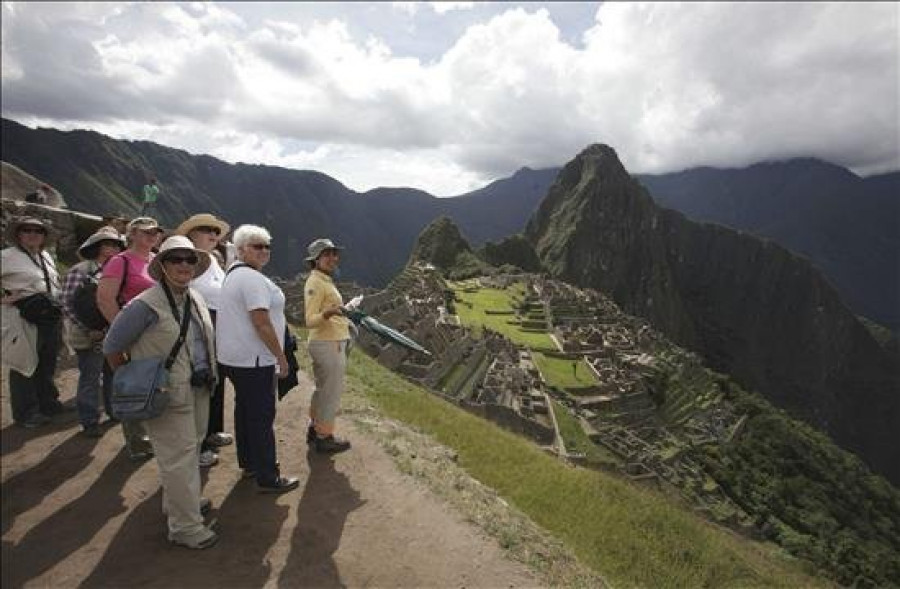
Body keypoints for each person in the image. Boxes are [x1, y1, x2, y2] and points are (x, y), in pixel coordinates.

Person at [103, 235, 218, 549]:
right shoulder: (144, 305)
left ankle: (180, 503)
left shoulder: (193, 297)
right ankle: (185, 528)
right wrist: (140, 382)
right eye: (175, 259)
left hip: (197, 388)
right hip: (168, 394)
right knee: (178, 458)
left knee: (189, 451)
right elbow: (113, 347)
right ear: (162, 265)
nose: (183, 265)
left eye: (189, 259)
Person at [217, 225, 299, 493]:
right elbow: (261, 321)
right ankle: (268, 476)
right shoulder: (251, 279)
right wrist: (280, 357)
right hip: (254, 360)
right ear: (241, 250)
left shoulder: (234, 274)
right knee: (262, 416)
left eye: (266, 246)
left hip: (235, 359)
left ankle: (250, 463)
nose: (264, 251)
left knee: (245, 411)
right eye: (256, 246)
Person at [96, 216, 164, 460]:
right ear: (132, 234)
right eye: (146, 232)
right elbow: (105, 299)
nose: (152, 235)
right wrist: (122, 332)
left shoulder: (157, 260)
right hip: (133, 333)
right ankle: (136, 441)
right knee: (133, 383)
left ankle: (153, 435)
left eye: (155, 231)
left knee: (155, 381)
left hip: (157, 333)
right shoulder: (119, 262)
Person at [176, 213, 233, 468]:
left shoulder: (211, 260)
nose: (213, 234)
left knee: (215, 382)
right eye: (206, 230)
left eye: (215, 230)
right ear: (191, 234)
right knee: (197, 386)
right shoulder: (187, 260)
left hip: (217, 329)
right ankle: (196, 447)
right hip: (196, 328)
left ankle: (211, 432)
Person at [1, 217, 68, 427]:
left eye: (38, 231)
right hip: (23, 316)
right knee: (25, 363)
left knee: (47, 361)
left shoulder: (45, 255)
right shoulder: (6, 256)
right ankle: (26, 412)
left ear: (44, 237)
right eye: (27, 230)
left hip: (49, 316)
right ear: (18, 235)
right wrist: (4, 299)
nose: (32, 234)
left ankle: (47, 402)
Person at [60, 226, 126, 437]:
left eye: (116, 245)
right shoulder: (79, 271)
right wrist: (88, 329)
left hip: (110, 332)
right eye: (107, 244)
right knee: (90, 377)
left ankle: (113, 410)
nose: (112, 249)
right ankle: (89, 420)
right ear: (96, 247)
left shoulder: (116, 272)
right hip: (88, 335)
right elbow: (67, 304)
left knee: (111, 374)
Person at [304, 238, 352, 454]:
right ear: (316, 260)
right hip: (328, 343)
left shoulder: (324, 280)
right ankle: (325, 436)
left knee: (323, 389)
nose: (333, 258)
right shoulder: (315, 283)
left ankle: (315, 428)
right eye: (327, 255)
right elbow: (310, 320)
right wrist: (330, 312)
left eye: (334, 253)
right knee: (330, 392)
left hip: (331, 340)